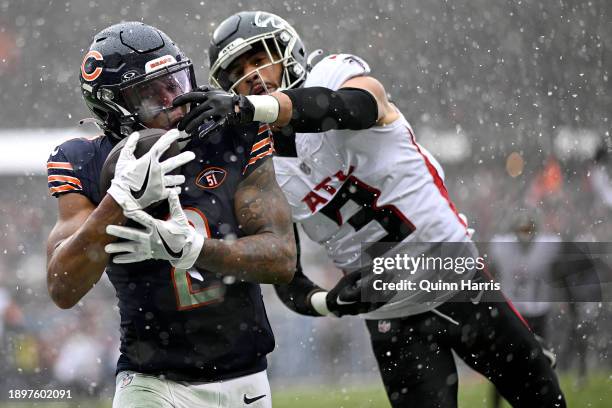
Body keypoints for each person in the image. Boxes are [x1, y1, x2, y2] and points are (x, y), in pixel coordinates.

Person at [173, 11, 567, 408]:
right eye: (238, 72)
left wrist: (256, 107)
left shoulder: (331, 74)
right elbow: (284, 270)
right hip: (390, 315)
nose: (252, 77)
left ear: (287, 51)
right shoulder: (261, 165)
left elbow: (359, 105)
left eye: (259, 60)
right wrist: (329, 301)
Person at [46, 21, 296, 408]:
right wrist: (119, 200)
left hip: (246, 380)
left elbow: (281, 258)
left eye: (176, 82)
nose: (175, 101)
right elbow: (62, 286)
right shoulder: (86, 162)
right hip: (152, 383)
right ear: (113, 108)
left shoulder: (233, 135)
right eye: (152, 94)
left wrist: (197, 250)